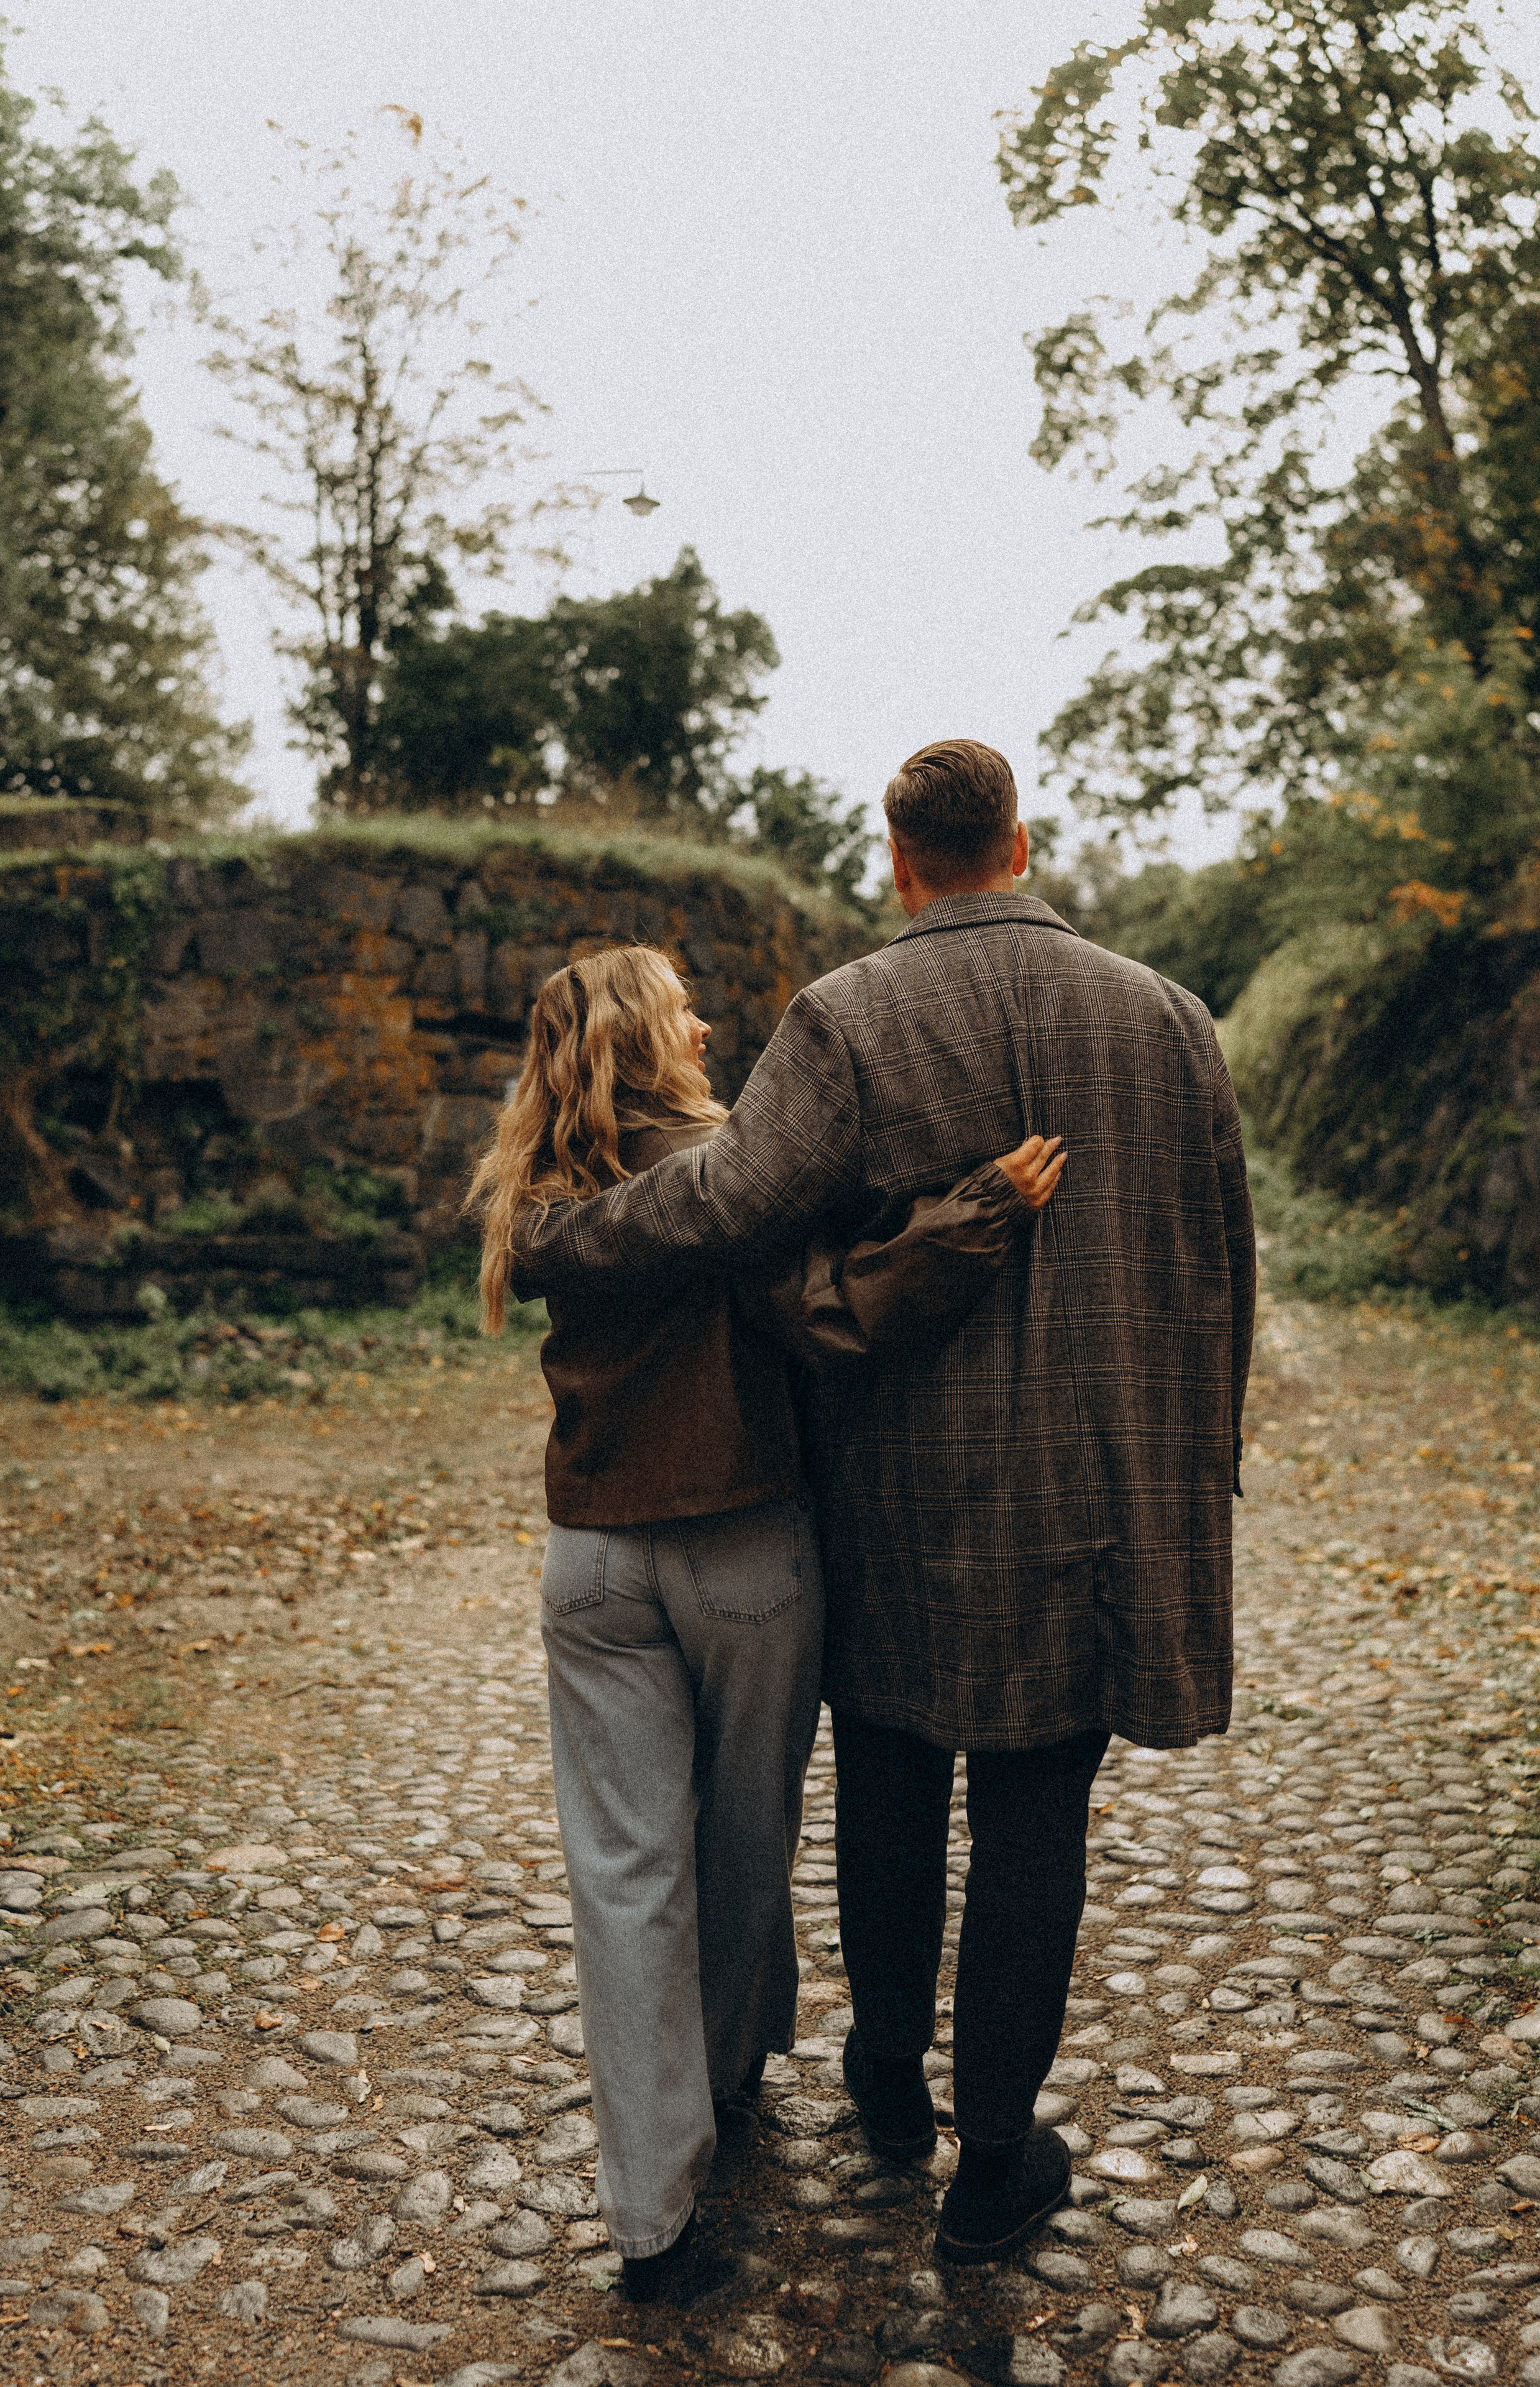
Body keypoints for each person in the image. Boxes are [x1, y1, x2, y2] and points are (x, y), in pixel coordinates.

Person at [509, 741, 1256, 2267]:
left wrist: (562, 1237)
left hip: (897, 1497)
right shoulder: (1169, 1021)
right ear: (1021, 845)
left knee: (894, 1787)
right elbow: (1218, 1262)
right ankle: (993, 2164)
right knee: (1040, 1810)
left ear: (898, 857)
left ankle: (886, 2091)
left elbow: (724, 1205)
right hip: (1101, 1494)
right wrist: (1194, 1471)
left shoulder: (845, 1017)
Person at [469, 942, 1065, 2297]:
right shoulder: (732, 1176)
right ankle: (727, 2080)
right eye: (680, 1006)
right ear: (645, 1035)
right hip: (742, 1542)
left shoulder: (545, 1186)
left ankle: (650, 2217)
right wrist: (970, 1219)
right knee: (744, 1840)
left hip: (592, 1561)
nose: (700, 1019)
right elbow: (837, 1314)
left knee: (623, 1878)